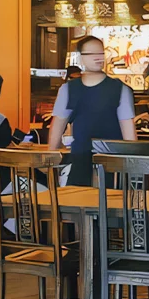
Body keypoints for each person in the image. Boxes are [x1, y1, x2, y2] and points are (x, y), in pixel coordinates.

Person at [48, 35, 136, 186]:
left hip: (113, 166)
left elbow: (130, 138)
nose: (97, 57)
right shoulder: (68, 89)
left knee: (110, 206)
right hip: (79, 161)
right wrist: (50, 160)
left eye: (100, 53)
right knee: (77, 204)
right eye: (91, 54)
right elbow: (57, 128)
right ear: (81, 58)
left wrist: (132, 170)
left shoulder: (120, 89)